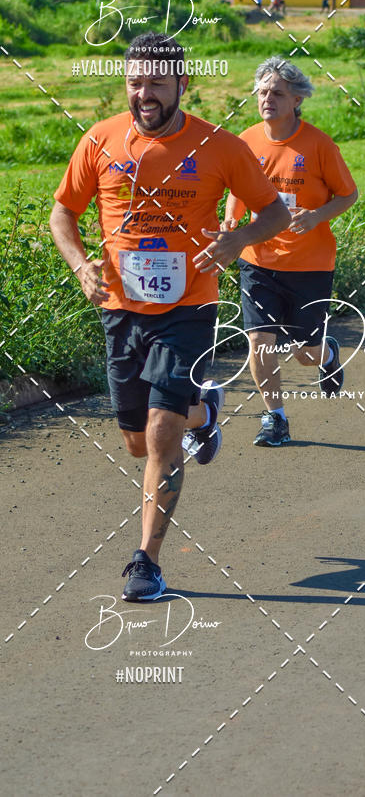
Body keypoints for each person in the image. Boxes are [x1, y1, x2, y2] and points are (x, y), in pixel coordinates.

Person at [49, 33, 289, 599]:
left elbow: (275, 212)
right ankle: (204, 412)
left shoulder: (219, 146)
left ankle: (147, 563)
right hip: (121, 310)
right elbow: (62, 213)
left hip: (189, 306)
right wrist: (81, 265)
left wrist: (238, 240)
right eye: (135, 82)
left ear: (183, 83)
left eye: (157, 83)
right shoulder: (100, 139)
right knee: (136, 441)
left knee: (161, 433)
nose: (145, 94)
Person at [223, 57, 358, 446]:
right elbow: (238, 189)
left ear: (297, 99)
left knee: (304, 352)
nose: (268, 99)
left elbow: (348, 194)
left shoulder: (319, 145)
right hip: (258, 259)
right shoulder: (246, 141)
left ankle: (326, 355)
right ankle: (275, 418)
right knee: (259, 340)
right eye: (263, 92)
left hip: (309, 264)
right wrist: (232, 221)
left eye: (277, 93)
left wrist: (315, 217)